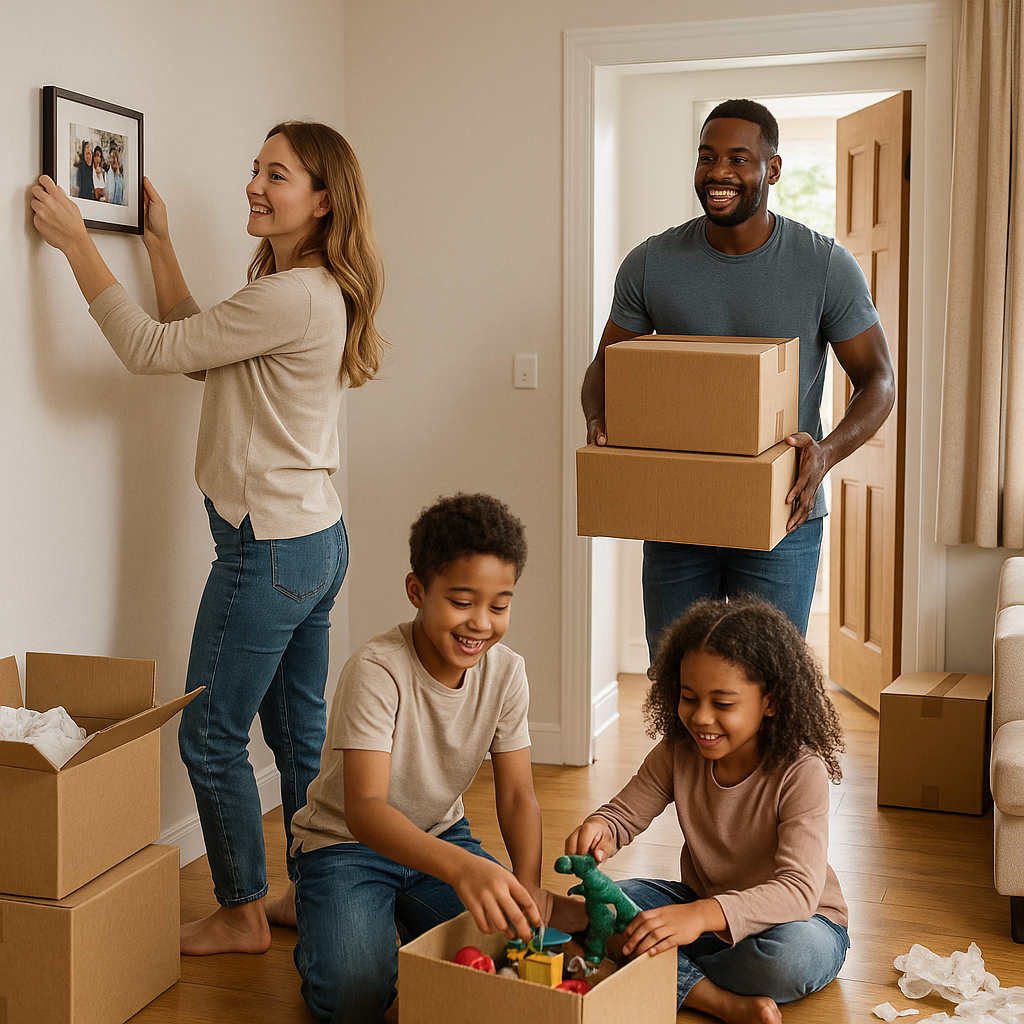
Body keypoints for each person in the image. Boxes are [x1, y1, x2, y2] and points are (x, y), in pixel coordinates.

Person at [30, 120, 386, 956]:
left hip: (267, 550)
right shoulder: (310, 288)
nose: (256, 186)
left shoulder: (290, 294)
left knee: (208, 733)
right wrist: (159, 247)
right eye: (255, 169)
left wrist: (79, 245)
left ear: (322, 200)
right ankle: (315, 888)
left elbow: (151, 351)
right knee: (296, 733)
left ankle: (240, 911)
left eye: (278, 175)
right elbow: (199, 351)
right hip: (315, 540)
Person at [581, 98, 896, 655]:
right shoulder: (652, 262)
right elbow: (607, 364)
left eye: (737, 158)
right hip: (677, 509)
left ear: (771, 170)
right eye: (706, 157)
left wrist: (824, 454)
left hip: (781, 514)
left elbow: (878, 380)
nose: (719, 172)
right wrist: (601, 420)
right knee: (676, 678)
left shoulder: (823, 265)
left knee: (768, 683)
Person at [289, 493, 544, 1024]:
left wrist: (529, 885)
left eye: (499, 605)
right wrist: (464, 869)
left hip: (439, 835)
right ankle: (316, 904)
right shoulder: (376, 671)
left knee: (500, 959)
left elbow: (518, 794)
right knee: (354, 998)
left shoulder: (507, 673)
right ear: (417, 591)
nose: (481, 623)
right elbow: (364, 808)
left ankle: (352, 912)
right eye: (462, 600)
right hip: (346, 847)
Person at [563, 596, 849, 1024]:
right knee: (601, 907)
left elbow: (798, 890)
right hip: (702, 905)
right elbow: (623, 814)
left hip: (798, 922)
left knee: (787, 960)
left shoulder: (800, 770)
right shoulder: (679, 750)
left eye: (723, 703)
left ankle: (638, 964)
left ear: (769, 701)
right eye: (688, 697)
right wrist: (600, 828)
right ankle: (716, 1000)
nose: (700, 717)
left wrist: (698, 917)